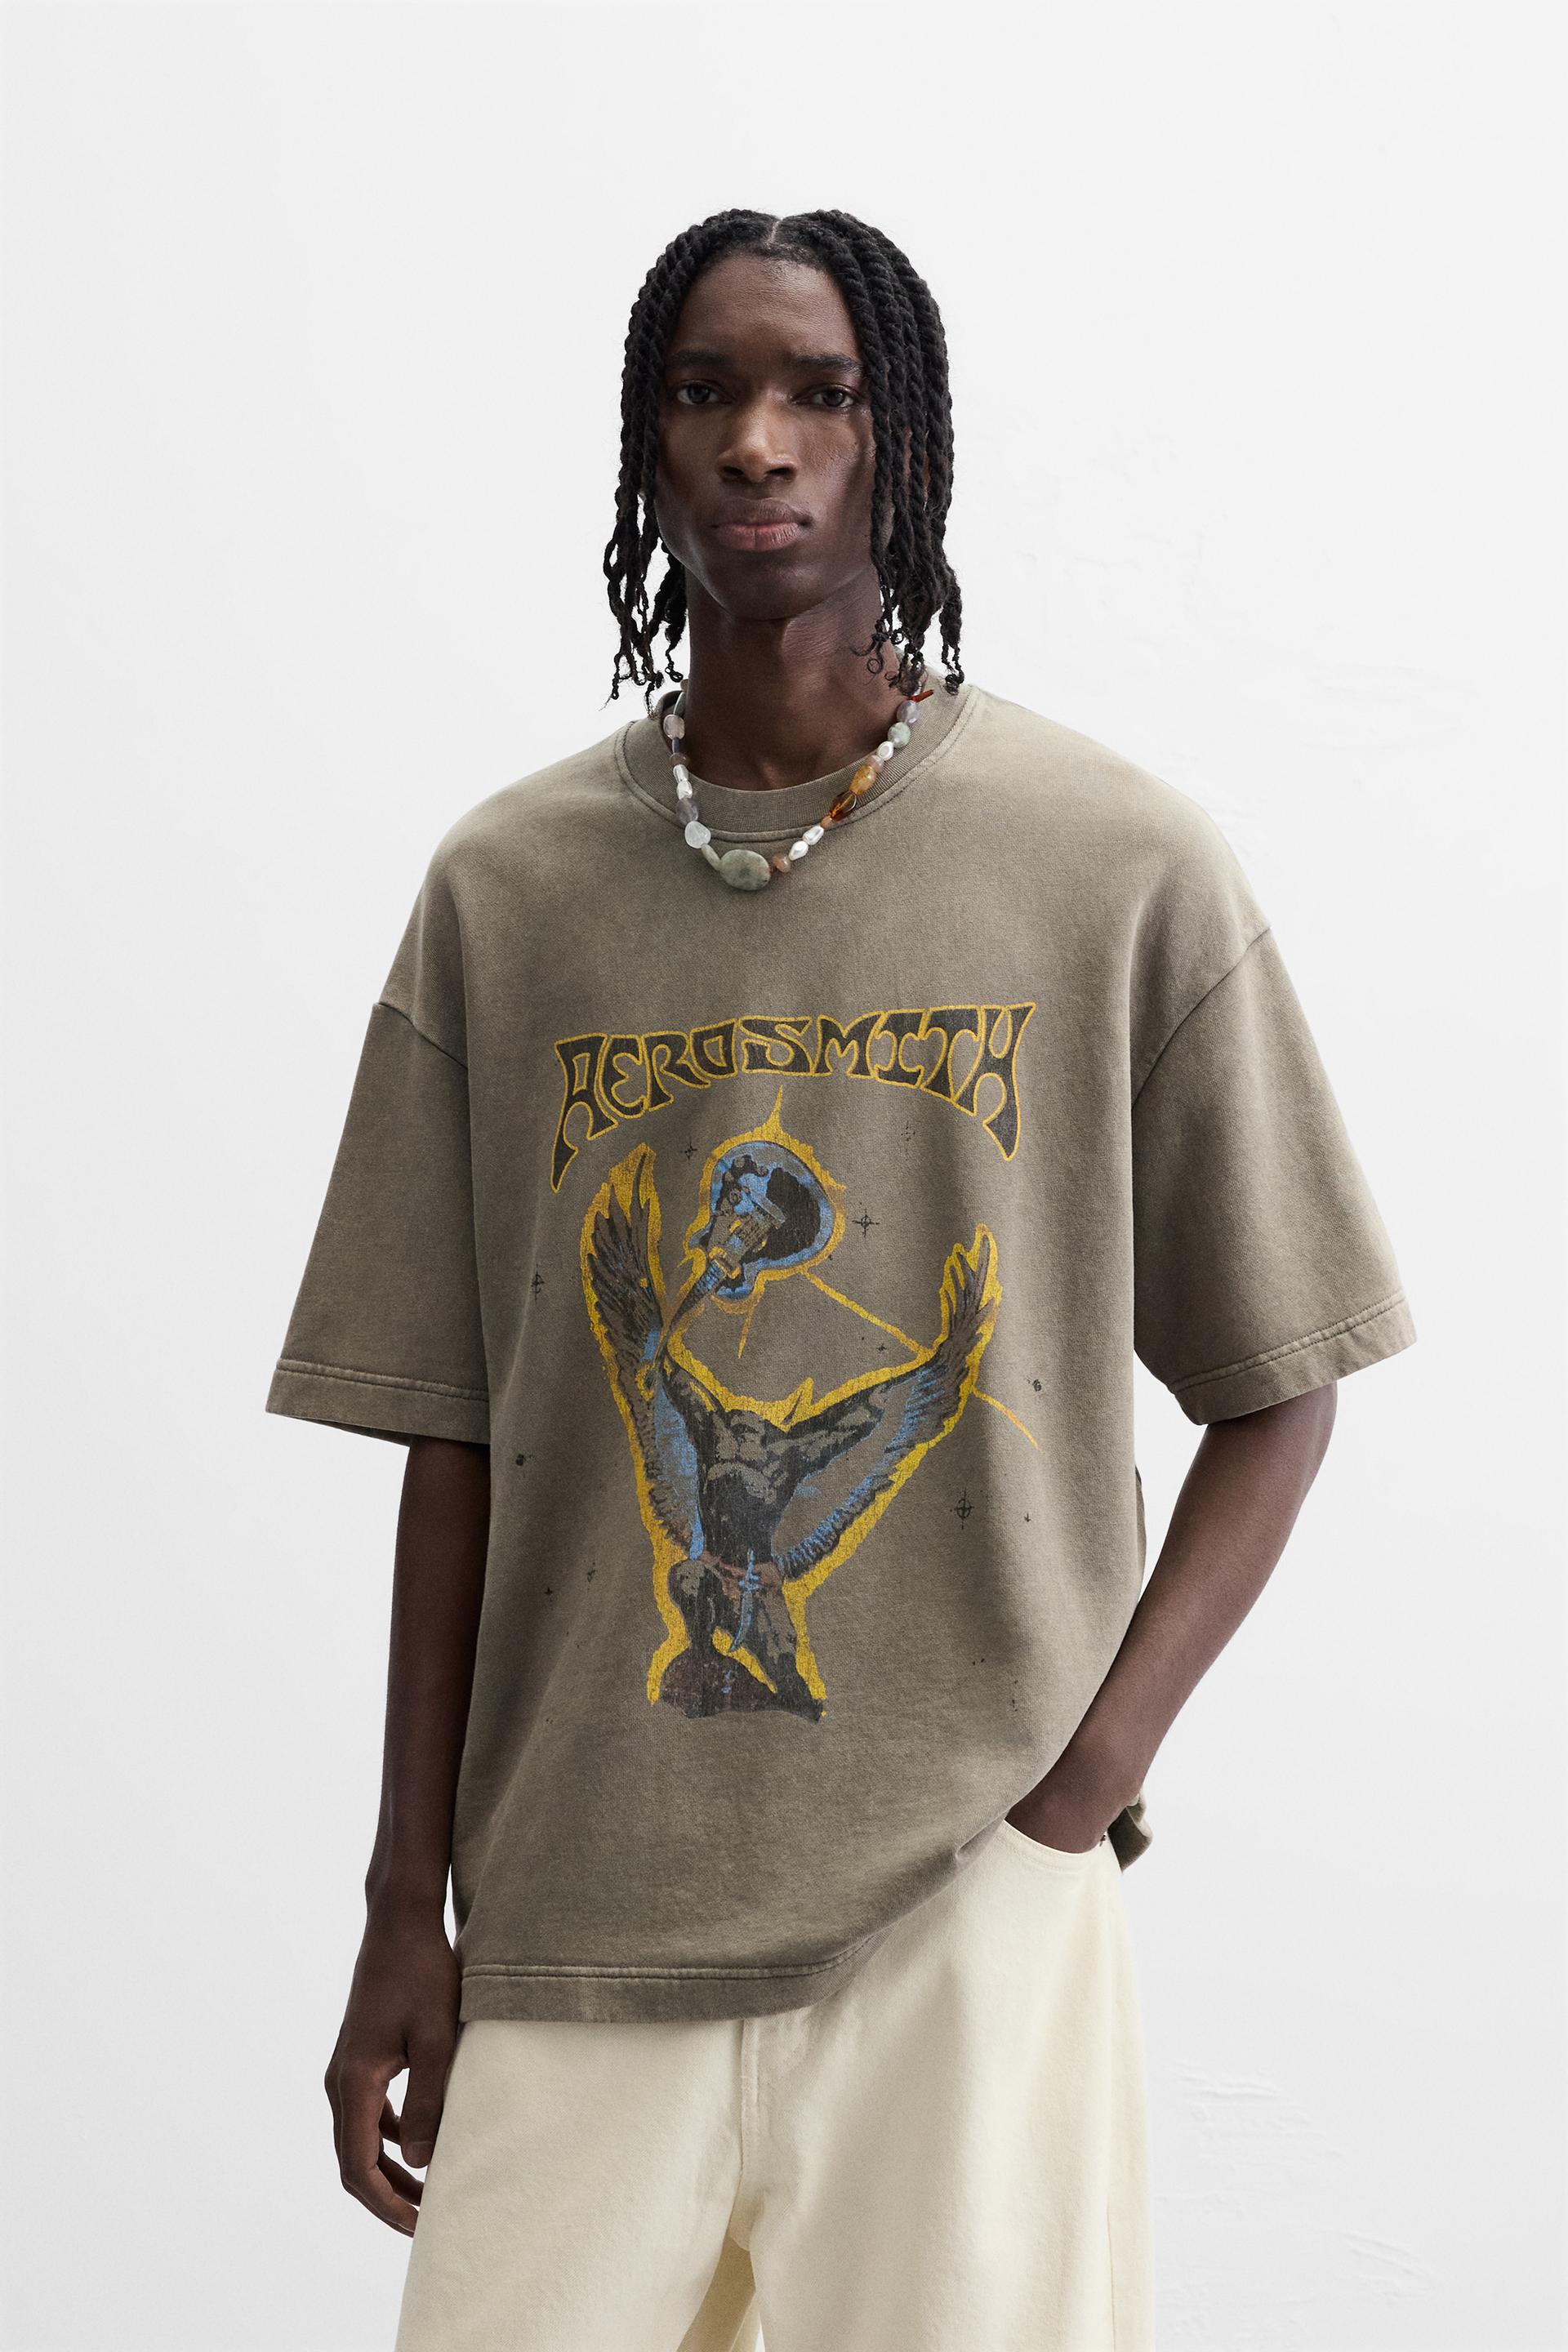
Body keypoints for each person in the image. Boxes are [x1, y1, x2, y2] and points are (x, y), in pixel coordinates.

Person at [266, 207, 1416, 2352]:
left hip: (962, 1900)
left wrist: (1075, 1796)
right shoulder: (509, 893)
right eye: (705, 393)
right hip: (579, 1904)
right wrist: (401, 1902)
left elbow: (1285, 1374)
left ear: (905, 440)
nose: (758, 443)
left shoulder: (1114, 864)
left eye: (820, 392)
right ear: (646, 443)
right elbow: (457, 1436)